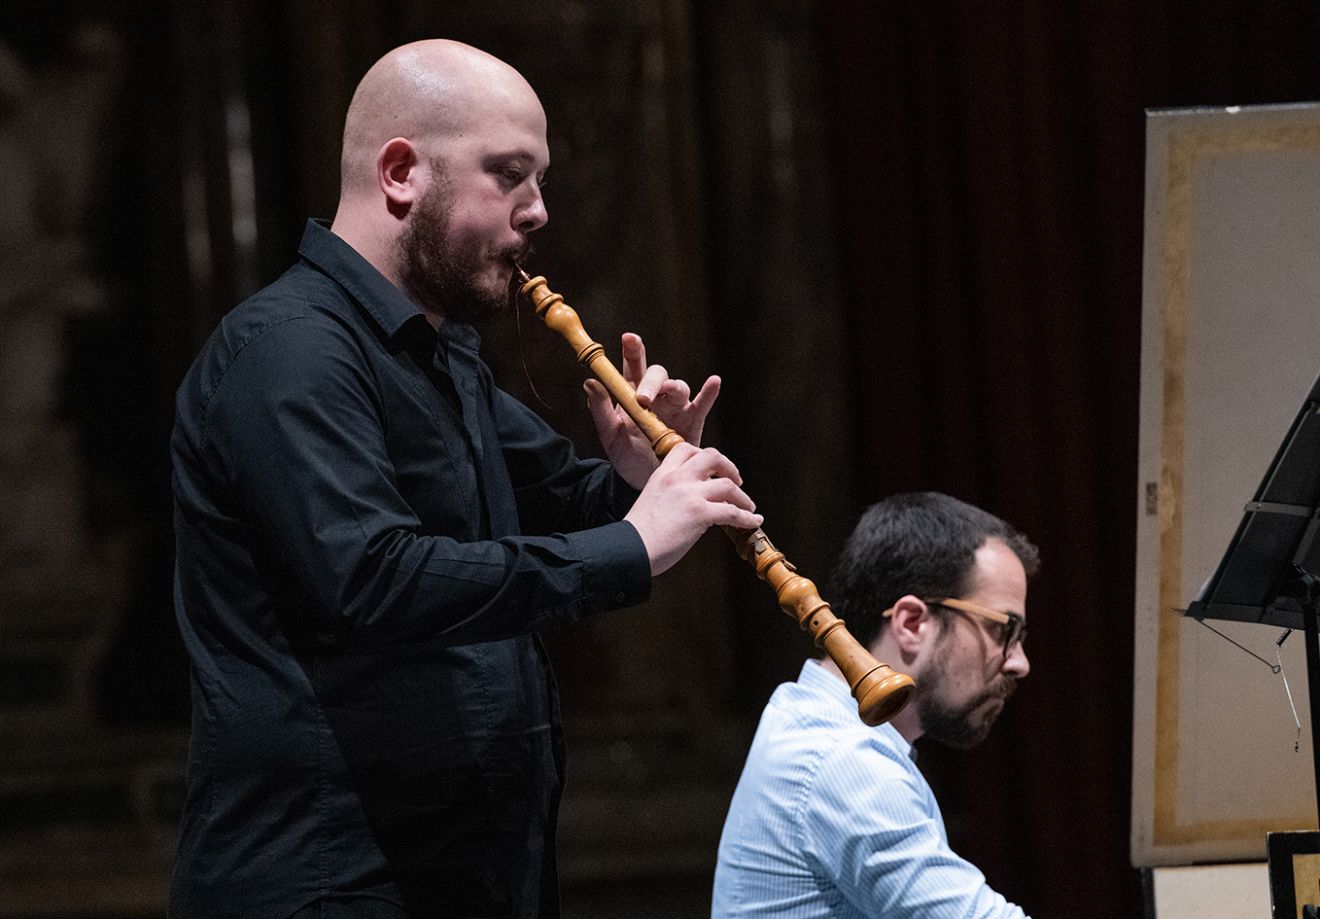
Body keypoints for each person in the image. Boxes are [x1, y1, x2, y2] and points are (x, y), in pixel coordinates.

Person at [169, 39, 762, 919]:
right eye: (510, 176)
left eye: (542, 181)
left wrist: (639, 476)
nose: (538, 213)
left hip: (459, 876)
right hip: (329, 882)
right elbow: (372, 577)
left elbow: (563, 495)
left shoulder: (438, 352)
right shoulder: (290, 352)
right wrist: (634, 541)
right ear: (402, 172)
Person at [712, 492, 1038, 918]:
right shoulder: (842, 758)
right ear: (912, 624)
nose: (1019, 663)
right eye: (1003, 631)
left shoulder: (814, 721)